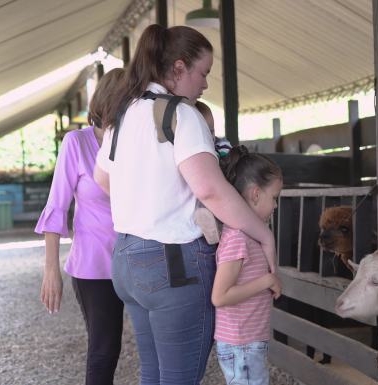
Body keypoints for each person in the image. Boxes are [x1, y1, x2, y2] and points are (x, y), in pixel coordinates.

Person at [93, 24, 278, 385]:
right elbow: (211, 190)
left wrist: (146, 195)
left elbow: (103, 180)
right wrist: (264, 236)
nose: (205, 84)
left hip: (128, 260)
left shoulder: (123, 114)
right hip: (172, 265)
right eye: (203, 73)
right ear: (179, 68)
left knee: (153, 373)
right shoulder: (182, 115)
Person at [36, 67, 125, 385]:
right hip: (94, 267)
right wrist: (51, 270)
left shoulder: (136, 143)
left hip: (139, 260)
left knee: (157, 347)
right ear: (107, 104)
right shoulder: (77, 143)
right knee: (105, 351)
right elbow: (56, 207)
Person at [212, 146, 282, 385]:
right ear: (255, 194)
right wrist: (267, 280)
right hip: (241, 344)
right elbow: (220, 296)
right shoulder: (238, 239)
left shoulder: (250, 236)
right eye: (274, 197)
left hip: (247, 342)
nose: (275, 206)